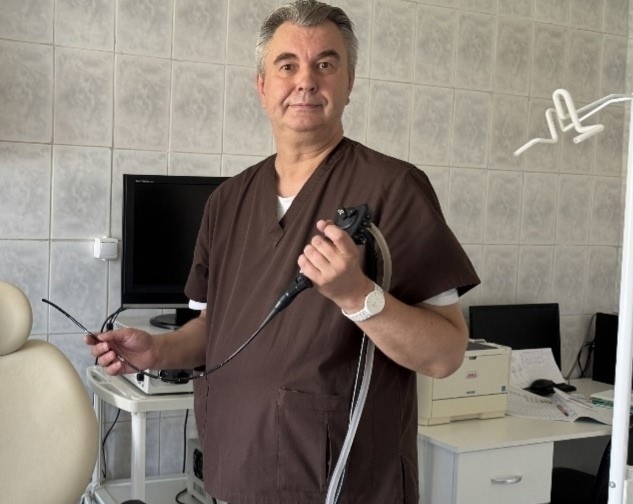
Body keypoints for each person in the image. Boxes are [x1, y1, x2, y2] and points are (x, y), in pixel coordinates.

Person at [87, 1, 480, 503]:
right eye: (287, 65)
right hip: (237, 468)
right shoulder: (227, 202)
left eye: (326, 64)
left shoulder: (395, 189)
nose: (306, 81)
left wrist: (358, 296)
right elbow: (216, 330)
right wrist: (158, 351)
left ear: (349, 82)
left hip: (343, 479)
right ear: (262, 85)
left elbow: (446, 354)